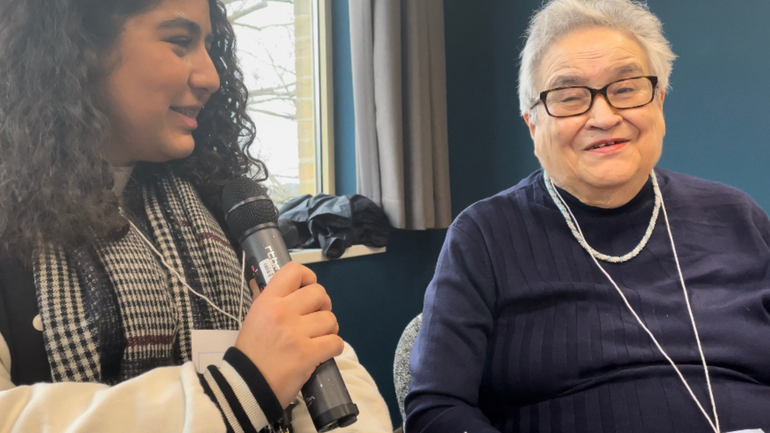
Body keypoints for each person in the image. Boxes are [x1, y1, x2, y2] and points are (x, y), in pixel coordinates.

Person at [0, 0, 392, 432]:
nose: (211, 77)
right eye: (180, 42)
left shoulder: (222, 203)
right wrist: (241, 389)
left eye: (209, 45)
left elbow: (326, 366)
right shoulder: (10, 224)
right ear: (78, 48)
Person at [405, 0, 770, 432]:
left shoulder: (736, 216)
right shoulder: (483, 236)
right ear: (533, 126)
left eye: (626, 88)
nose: (603, 116)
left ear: (659, 102)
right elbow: (436, 409)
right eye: (569, 97)